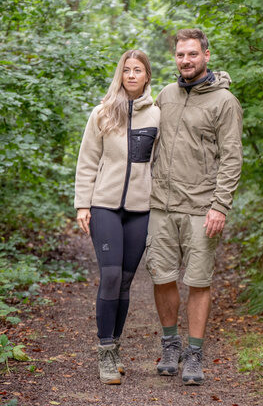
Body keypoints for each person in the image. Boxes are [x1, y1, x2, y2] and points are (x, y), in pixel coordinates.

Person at [146, 29, 243, 385]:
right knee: (162, 276)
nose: (185, 60)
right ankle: (170, 344)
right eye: (180, 55)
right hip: (161, 204)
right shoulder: (166, 95)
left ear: (206, 55)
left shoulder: (224, 102)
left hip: (202, 206)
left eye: (191, 54)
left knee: (199, 281)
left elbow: (232, 159)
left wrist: (220, 205)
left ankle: (195, 352)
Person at [74, 50, 160, 385]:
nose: (132, 75)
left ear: (147, 75)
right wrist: (84, 204)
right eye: (127, 70)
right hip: (105, 206)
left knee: (125, 281)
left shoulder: (156, 115)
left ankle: (116, 346)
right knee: (110, 276)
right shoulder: (102, 113)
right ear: (120, 75)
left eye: (138, 70)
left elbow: (163, 161)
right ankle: (105, 351)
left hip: (141, 209)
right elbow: (87, 161)